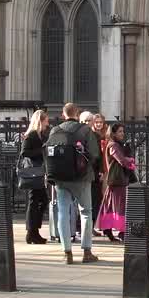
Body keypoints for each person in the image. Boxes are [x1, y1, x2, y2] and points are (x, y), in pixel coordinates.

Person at [53, 104, 100, 264]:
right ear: (77, 113)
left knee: (63, 213)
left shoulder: (55, 130)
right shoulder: (85, 130)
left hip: (60, 178)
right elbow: (94, 153)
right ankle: (87, 252)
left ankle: (67, 253)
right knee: (86, 212)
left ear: (63, 114)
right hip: (82, 177)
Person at [97, 123, 135, 242]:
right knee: (120, 207)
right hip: (117, 181)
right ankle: (121, 231)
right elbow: (122, 160)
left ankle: (108, 229)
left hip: (117, 181)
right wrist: (131, 160)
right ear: (113, 133)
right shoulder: (113, 145)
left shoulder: (117, 145)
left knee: (110, 206)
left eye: (123, 131)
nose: (122, 134)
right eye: (119, 131)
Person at [20, 110, 51, 245]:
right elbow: (24, 152)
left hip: (38, 172)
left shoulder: (40, 135)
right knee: (35, 202)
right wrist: (42, 150)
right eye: (46, 121)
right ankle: (31, 232)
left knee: (41, 201)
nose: (48, 123)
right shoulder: (32, 135)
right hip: (33, 172)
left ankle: (33, 231)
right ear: (40, 121)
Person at [85, 111, 108, 237]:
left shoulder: (105, 135)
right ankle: (92, 225)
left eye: (101, 122)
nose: (99, 124)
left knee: (102, 199)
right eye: (96, 122)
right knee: (94, 199)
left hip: (104, 169)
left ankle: (104, 225)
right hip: (95, 170)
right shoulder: (91, 135)